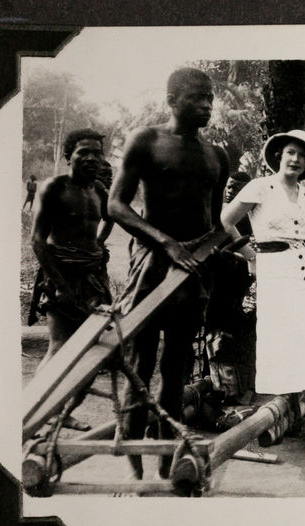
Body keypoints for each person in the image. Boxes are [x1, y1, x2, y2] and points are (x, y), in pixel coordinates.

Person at [108, 68, 229, 479]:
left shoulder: (217, 156)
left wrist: (216, 250)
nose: (208, 105)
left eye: (210, 98)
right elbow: (117, 206)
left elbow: (215, 222)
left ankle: (166, 465)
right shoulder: (147, 141)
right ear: (172, 99)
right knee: (139, 366)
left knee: (176, 369)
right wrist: (167, 243)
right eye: (198, 97)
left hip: (192, 274)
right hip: (153, 266)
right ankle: (133, 472)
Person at [221, 129, 305, 460]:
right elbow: (226, 221)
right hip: (276, 272)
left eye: (303, 156)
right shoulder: (259, 187)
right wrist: (252, 258)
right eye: (291, 152)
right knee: (295, 344)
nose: (295, 159)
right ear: (279, 155)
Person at [28, 129, 114, 431]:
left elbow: (112, 216)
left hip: (92, 279)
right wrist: (62, 286)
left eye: (96, 153)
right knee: (60, 346)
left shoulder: (99, 192)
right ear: (69, 156)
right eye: (83, 152)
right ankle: (35, 409)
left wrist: (99, 246)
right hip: (61, 277)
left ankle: (63, 411)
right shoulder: (53, 188)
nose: (91, 158)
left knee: (93, 351)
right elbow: (37, 240)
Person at [224, 171, 253, 237]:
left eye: (236, 189)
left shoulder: (247, 216)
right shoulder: (219, 209)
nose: (230, 191)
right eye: (229, 187)